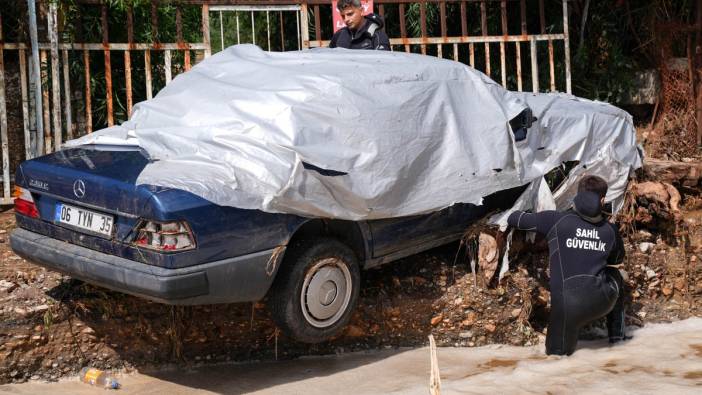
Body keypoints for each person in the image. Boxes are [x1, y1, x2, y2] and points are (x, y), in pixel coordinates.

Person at [507, 175, 629, 356]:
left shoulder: (556, 220)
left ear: (577, 195)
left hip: (566, 309)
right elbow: (617, 260)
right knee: (617, 275)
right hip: (602, 302)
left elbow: (514, 219)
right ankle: (617, 341)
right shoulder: (610, 230)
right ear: (602, 200)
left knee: (557, 361)